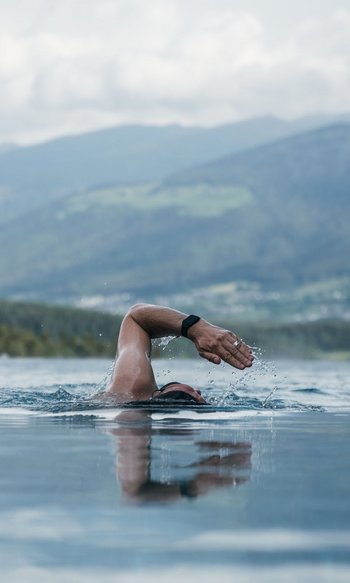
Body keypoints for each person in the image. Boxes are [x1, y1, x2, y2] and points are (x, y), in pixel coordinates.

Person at [100, 303, 254, 405]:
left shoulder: (130, 388)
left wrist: (195, 327)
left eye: (194, 396)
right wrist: (196, 328)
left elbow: (135, 318)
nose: (199, 392)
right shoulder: (130, 395)